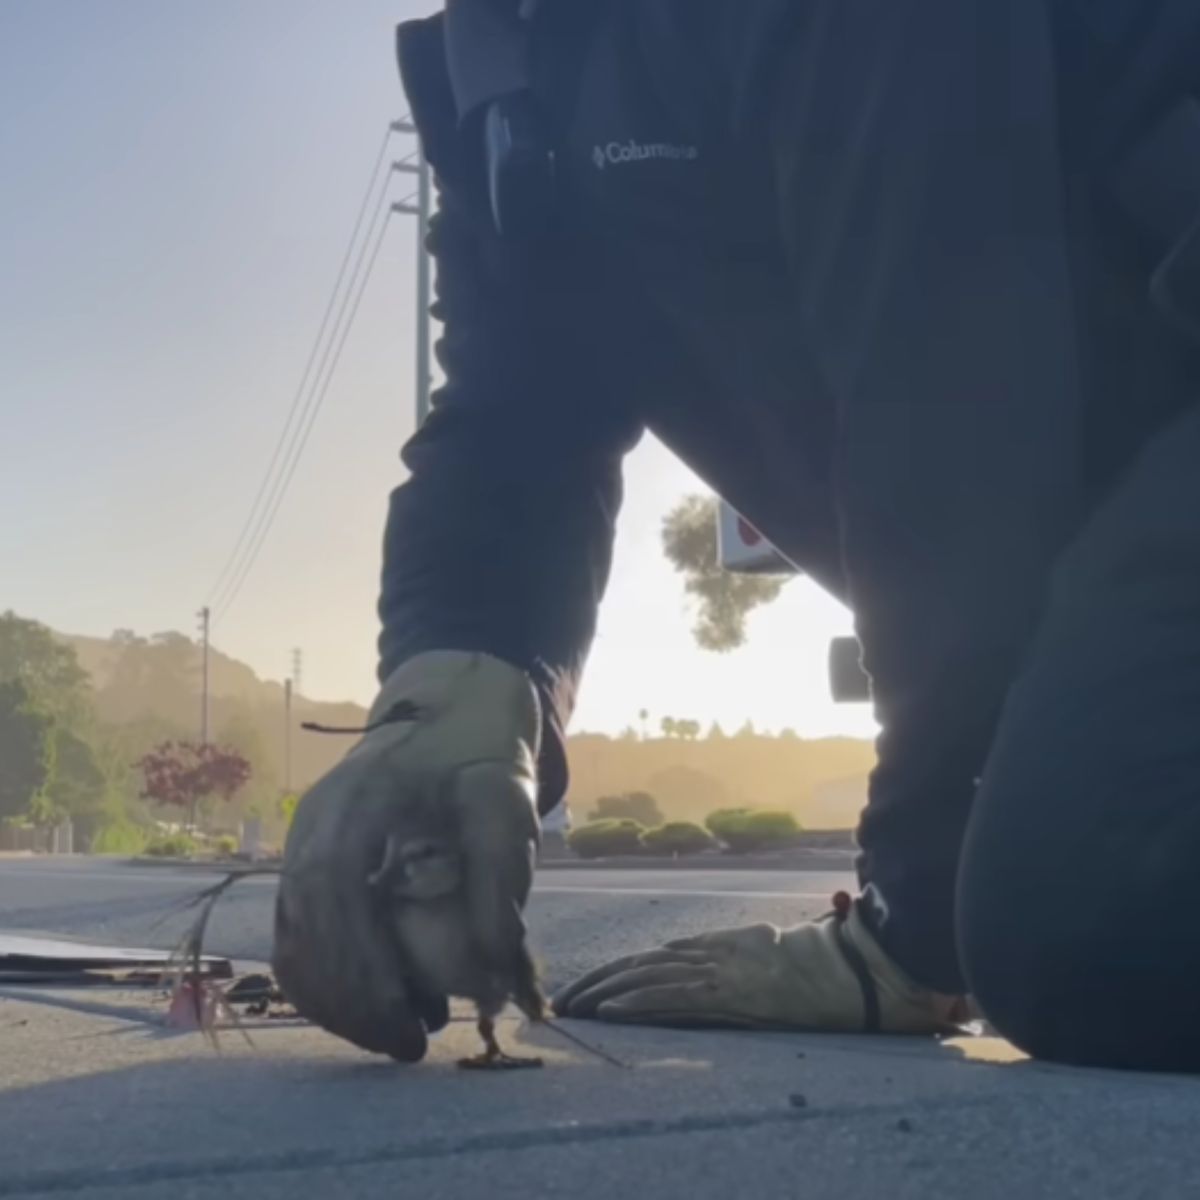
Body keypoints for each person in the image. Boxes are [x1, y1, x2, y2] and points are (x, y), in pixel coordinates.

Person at [272, 0, 1200, 1072]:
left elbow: (945, 372)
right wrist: (447, 695)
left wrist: (915, 917)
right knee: (1071, 899)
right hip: (1114, 517)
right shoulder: (500, 71)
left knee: (1084, 922)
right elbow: (517, 411)